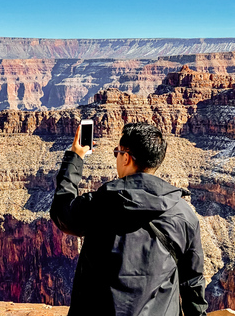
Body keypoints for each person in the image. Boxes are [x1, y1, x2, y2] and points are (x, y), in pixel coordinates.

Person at [50, 122, 208, 316]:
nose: (117, 157)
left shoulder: (99, 204)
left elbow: (62, 213)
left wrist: (76, 157)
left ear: (126, 157)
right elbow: (192, 282)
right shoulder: (184, 214)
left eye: (117, 152)